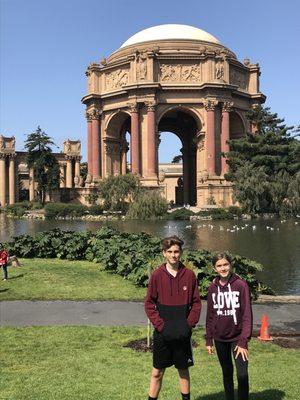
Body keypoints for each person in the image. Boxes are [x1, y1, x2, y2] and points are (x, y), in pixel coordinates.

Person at [145, 236, 201, 400]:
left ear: (181, 253)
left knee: (183, 370)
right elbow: (149, 303)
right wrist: (160, 326)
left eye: (176, 251)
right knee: (157, 372)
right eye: (169, 252)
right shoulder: (157, 275)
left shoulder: (189, 275)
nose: (173, 255)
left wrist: (188, 324)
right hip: (163, 333)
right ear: (164, 253)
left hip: (182, 333)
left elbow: (196, 303)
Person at [205, 253, 252, 400]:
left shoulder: (241, 285)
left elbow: (246, 315)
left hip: (238, 339)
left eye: (225, 264)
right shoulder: (212, 288)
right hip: (220, 338)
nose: (223, 268)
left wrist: (243, 341)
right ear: (214, 268)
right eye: (219, 265)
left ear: (230, 265)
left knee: (242, 374)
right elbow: (210, 315)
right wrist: (208, 339)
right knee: (227, 372)